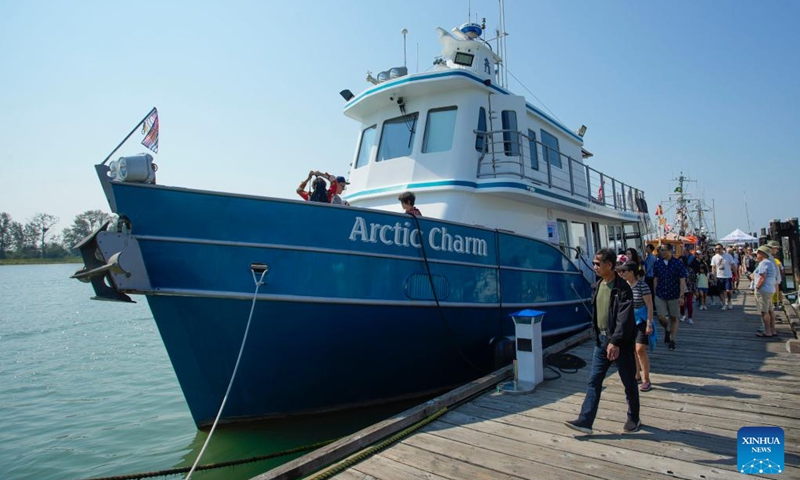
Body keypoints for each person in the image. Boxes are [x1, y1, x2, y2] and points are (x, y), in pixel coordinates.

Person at [565, 248, 641, 435]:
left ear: (609, 265)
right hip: (601, 342)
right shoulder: (598, 285)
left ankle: (634, 417)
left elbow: (625, 319)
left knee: (628, 382)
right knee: (594, 381)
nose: (594, 267)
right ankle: (585, 420)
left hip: (619, 344)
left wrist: (615, 342)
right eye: (594, 263)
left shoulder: (623, 289)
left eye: (598, 264)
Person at [618, 260, 654, 392]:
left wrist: (649, 323)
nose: (621, 273)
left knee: (640, 349)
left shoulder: (642, 286)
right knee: (632, 349)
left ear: (631, 272)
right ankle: (637, 375)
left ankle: (646, 380)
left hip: (641, 320)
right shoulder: (622, 286)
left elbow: (650, 305)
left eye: (623, 271)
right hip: (628, 321)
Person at [653, 245, 687, 350]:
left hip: (674, 293)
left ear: (670, 251)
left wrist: (682, 295)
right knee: (661, 316)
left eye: (664, 250)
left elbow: (682, 280)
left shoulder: (678, 263)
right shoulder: (657, 263)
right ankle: (667, 329)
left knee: (674, 317)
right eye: (660, 250)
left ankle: (672, 339)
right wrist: (655, 291)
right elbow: (655, 278)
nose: (661, 252)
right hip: (660, 293)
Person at [753, 245, 777, 337]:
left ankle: (767, 331)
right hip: (770, 288)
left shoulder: (764, 263)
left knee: (764, 311)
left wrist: (757, 287)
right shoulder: (770, 262)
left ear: (763, 254)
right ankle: (772, 329)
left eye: (758, 253)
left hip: (763, 290)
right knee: (770, 310)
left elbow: (762, 277)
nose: (756, 255)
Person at [711, 243, 734, 310]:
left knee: (728, 291)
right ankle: (724, 304)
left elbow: (733, 265)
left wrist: (736, 273)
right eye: (716, 249)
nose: (717, 250)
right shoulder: (714, 257)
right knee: (721, 291)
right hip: (719, 276)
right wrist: (714, 276)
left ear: (722, 249)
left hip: (728, 276)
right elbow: (713, 267)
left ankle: (729, 300)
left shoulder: (728, 256)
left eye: (719, 248)